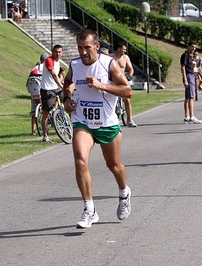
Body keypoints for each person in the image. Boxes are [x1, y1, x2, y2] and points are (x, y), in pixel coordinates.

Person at [62, 29, 132, 229]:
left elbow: (127, 91)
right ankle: (89, 209)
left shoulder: (109, 64)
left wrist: (102, 86)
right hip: (82, 120)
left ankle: (124, 193)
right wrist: (67, 98)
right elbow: (68, 83)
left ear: (97, 47)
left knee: (114, 166)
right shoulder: (75, 65)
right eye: (79, 48)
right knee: (80, 160)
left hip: (107, 123)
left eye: (87, 48)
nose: (83, 52)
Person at [110, 42, 137, 127]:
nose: (125, 51)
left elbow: (130, 68)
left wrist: (130, 76)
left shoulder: (125, 58)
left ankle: (130, 120)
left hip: (122, 80)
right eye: (123, 49)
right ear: (118, 49)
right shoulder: (110, 57)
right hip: (113, 81)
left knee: (127, 100)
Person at [40, 45, 64, 142]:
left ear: (62, 53)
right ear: (52, 52)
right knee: (46, 113)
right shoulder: (49, 60)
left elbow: (60, 74)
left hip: (56, 87)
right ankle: (45, 136)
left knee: (67, 102)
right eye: (55, 52)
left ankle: (66, 124)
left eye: (59, 52)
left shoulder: (58, 62)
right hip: (47, 89)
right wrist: (61, 86)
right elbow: (54, 74)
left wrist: (61, 84)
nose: (57, 54)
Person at [180, 41, 202, 124]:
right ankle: (192, 116)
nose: (194, 49)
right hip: (189, 76)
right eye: (192, 47)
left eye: (195, 47)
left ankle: (187, 116)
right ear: (188, 46)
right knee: (191, 97)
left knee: (188, 98)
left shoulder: (189, 56)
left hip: (191, 76)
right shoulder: (185, 55)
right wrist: (185, 79)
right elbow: (183, 67)